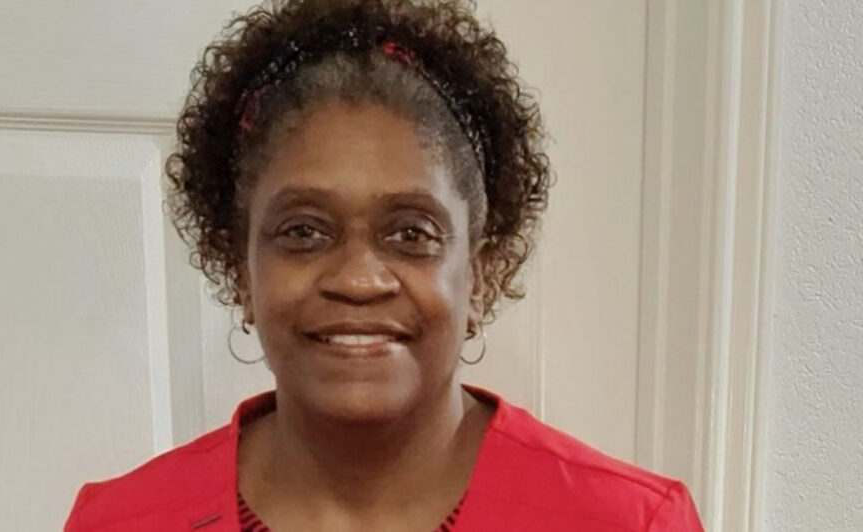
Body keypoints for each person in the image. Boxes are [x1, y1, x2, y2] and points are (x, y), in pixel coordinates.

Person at [65, 0, 704, 530]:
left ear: (480, 272)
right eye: (304, 231)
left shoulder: (627, 522)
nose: (359, 279)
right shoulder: (120, 521)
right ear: (240, 268)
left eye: (410, 233)